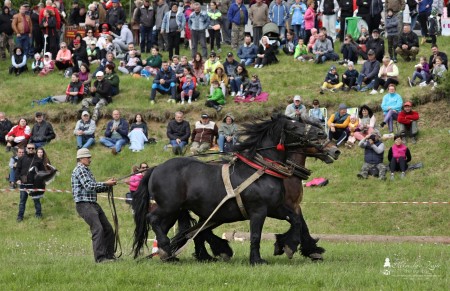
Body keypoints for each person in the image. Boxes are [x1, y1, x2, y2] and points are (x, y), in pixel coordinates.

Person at [71, 148, 118, 263]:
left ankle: (109, 256)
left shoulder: (86, 170)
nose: (90, 159)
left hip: (92, 203)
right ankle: (100, 258)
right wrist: (106, 183)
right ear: (81, 158)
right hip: (84, 204)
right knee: (98, 229)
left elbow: (94, 188)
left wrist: (108, 186)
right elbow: (88, 185)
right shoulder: (80, 169)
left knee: (108, 229)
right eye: (88, 157)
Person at [15, 143, 45, 221]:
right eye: (29, 148)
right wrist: (17, 179)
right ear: (26, 149)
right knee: (22, 201)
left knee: (36, 200)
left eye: (32, 148)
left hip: (34, 184)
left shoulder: (38, 160)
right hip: (23, 184)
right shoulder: (21, 158)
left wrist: (40, 182)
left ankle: (38, 215)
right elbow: (17, 169)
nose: (31, 149)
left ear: (34, 149)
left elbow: (42, 172)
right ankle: (20, 217)